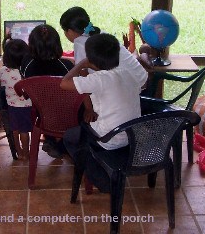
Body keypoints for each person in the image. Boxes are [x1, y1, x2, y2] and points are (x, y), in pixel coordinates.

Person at [60, 33, 148, 192]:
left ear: (91, 59)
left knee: (70, 137)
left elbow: (63, 84)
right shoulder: (128, 74)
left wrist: (81, 64)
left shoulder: (99, 79)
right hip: (132, 136)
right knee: (87, 125)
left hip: (109, 140)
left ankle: (103, 180)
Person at [20, 24, 74, 158]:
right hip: (67, 115)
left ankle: (51, 139)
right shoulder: (66, 66)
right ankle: (62, 145)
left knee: (48, 104)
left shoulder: (26, 64)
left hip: (41, 113)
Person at [0, 36, 32, 160]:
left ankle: (19, 151)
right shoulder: (27, 73)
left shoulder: (3, 70)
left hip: (11, 106)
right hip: (26, 107)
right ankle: (27, 154)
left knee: (15, 130)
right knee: (24, 131)